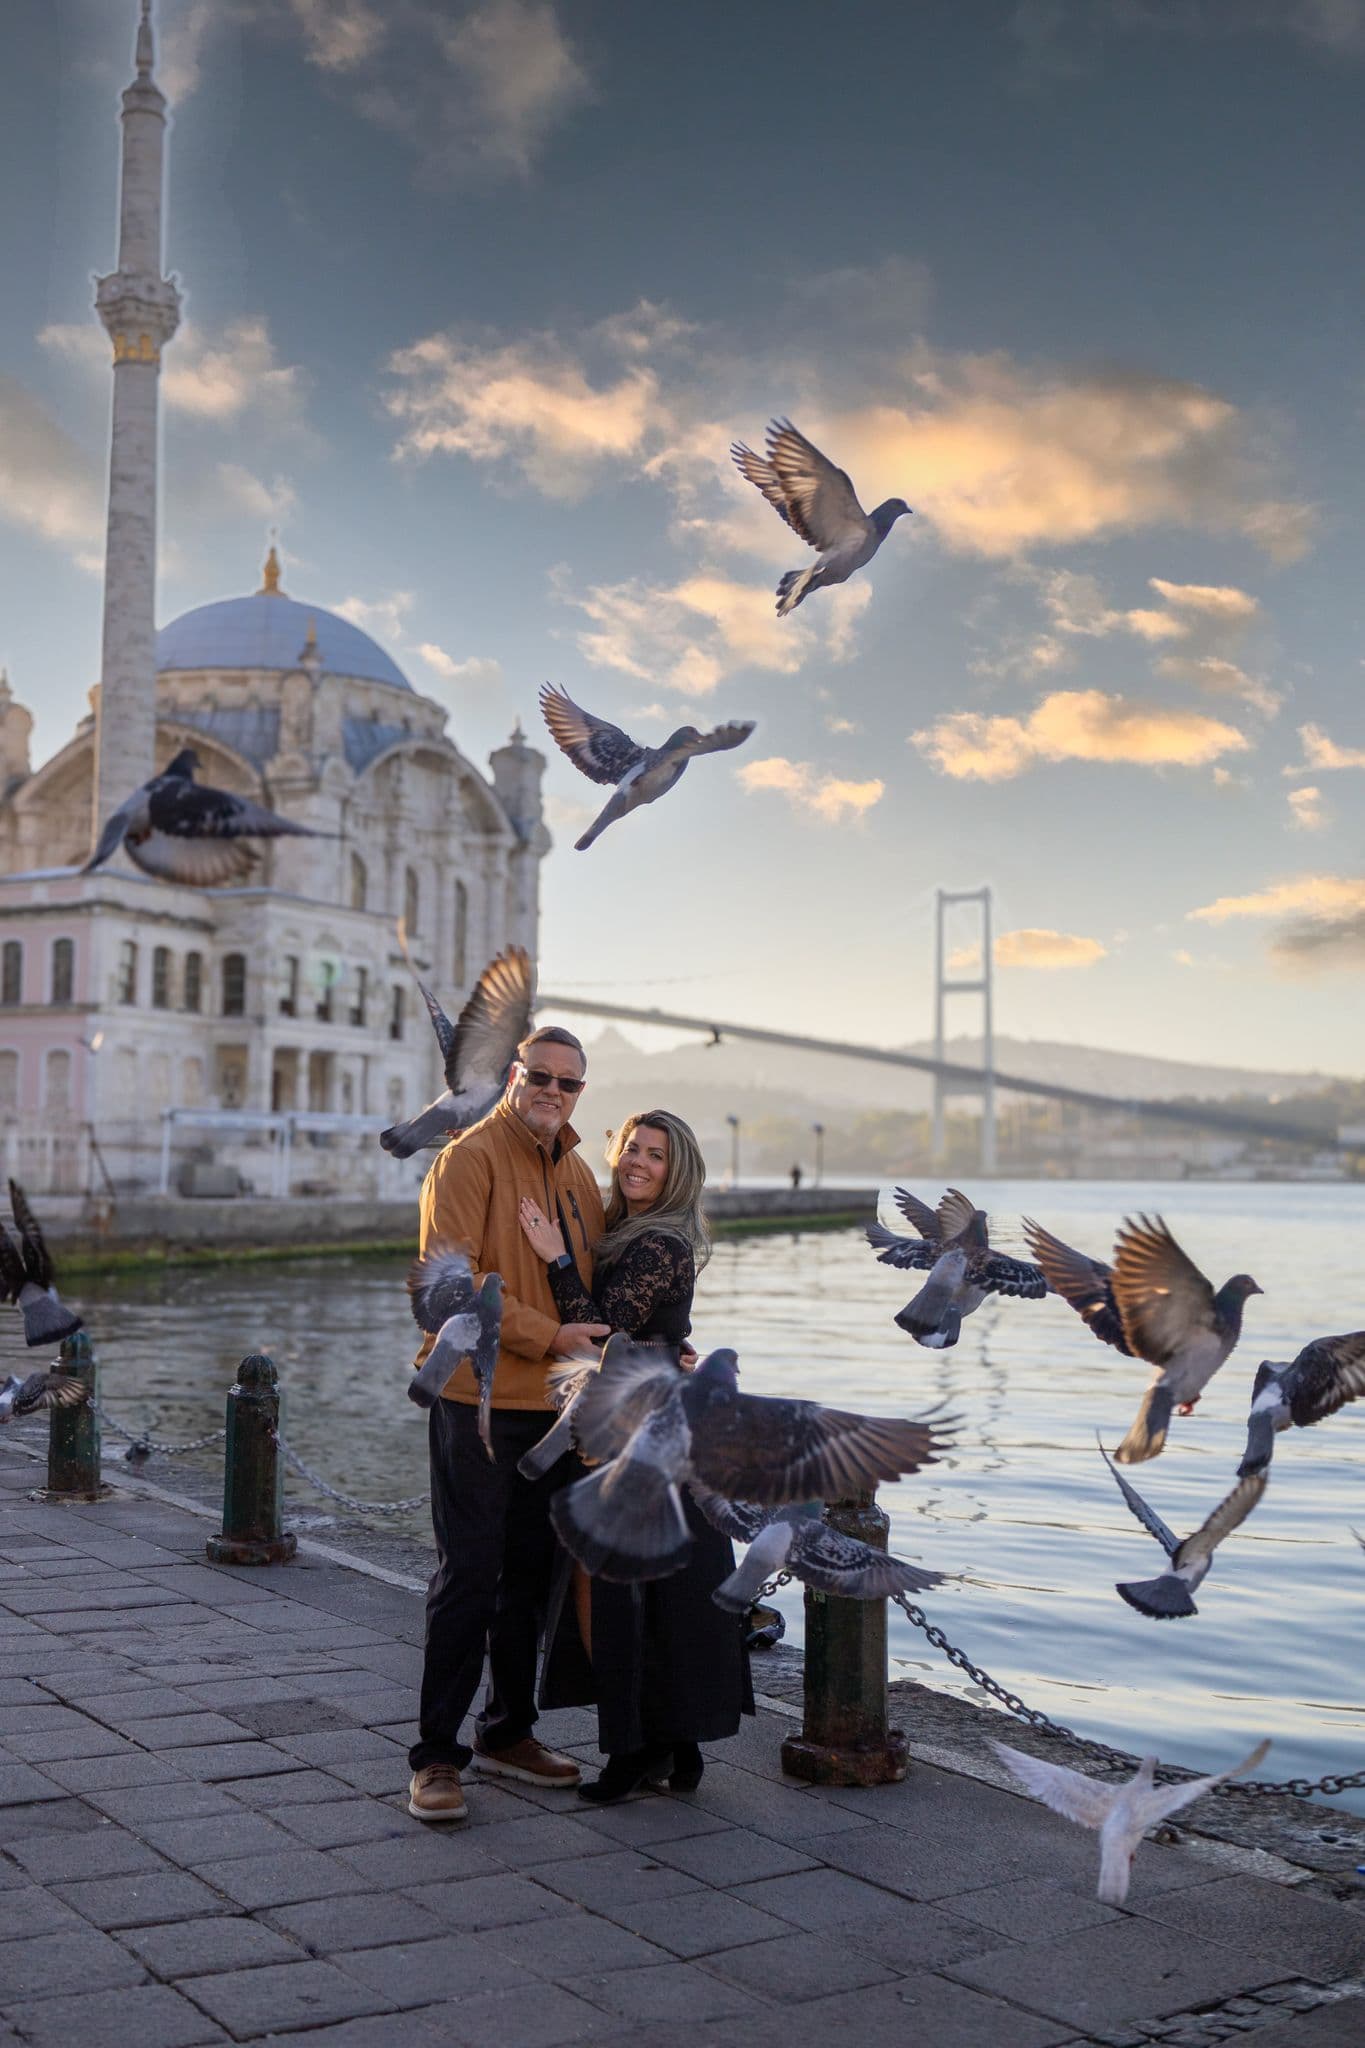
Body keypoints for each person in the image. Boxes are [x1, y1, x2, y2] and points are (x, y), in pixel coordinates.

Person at [519, 1108, 754, 1803]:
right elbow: (638, 1335)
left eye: (655, 1154)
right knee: (666, 1594)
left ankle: (631, 1750)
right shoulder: (632, 1235)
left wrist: (553, 1255)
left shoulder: (660, 1245)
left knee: (622, 1595)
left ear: (675, 1171)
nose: (638, 1162)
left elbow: (604, 1334)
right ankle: (675, 1748)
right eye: (631, 1149)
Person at [406, 1024, 609, 1824]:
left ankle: (506, 1731)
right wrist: (547, 1336)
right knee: (469, 1578)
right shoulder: (467, 1158)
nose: (553, 1091)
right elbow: (451, 1283)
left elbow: (587, 1293)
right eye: (540, 1076)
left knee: (531, 1583)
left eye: (569, 1083)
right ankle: (433, 1756)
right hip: (477, 1404)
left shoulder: (581, 1178)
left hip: (554, 1414)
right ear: (514, 1075)